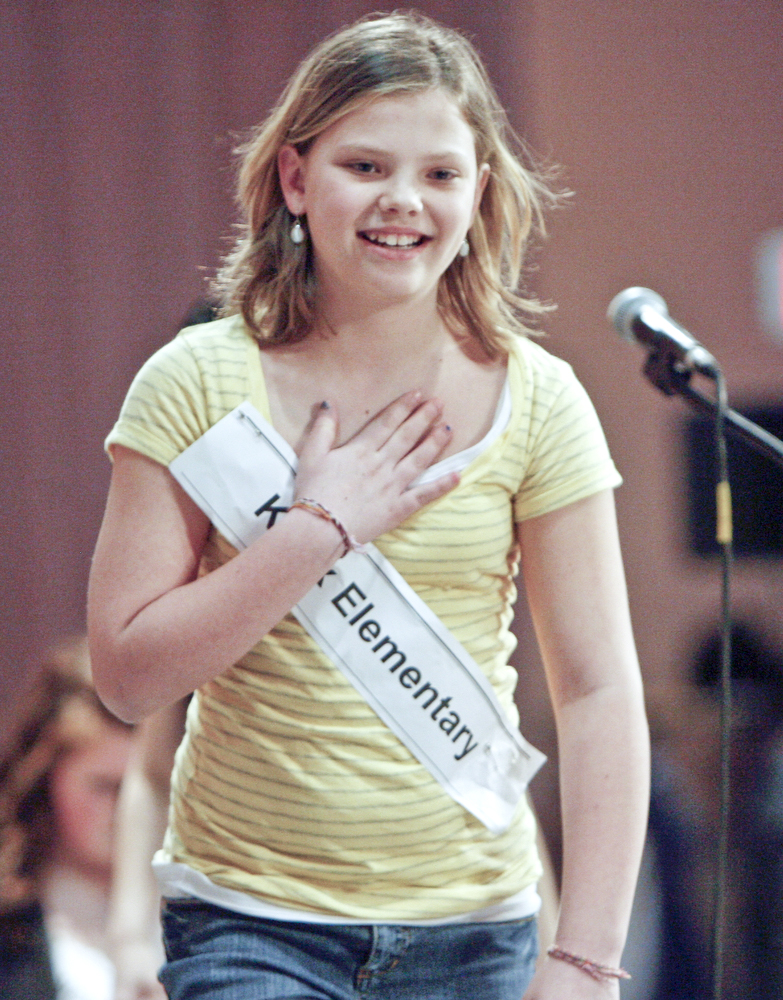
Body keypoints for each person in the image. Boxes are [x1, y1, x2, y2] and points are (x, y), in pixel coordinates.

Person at [87, 11, 649, 1000]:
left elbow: (598, 691)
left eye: (440, 173)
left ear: (479, 192)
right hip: (249, 923)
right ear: (295, 179)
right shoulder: (193, 382)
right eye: (365, 166)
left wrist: (585, 958)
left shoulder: (541, 400)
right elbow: (127, 679)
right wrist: (315, 533)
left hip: (475, 935)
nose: (403, 200)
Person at [0, 635, 136, 1000]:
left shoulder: (197, 932)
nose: (130, 810)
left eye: (150, 793)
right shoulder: (8, 937)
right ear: (44, 782)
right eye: (107, 787)